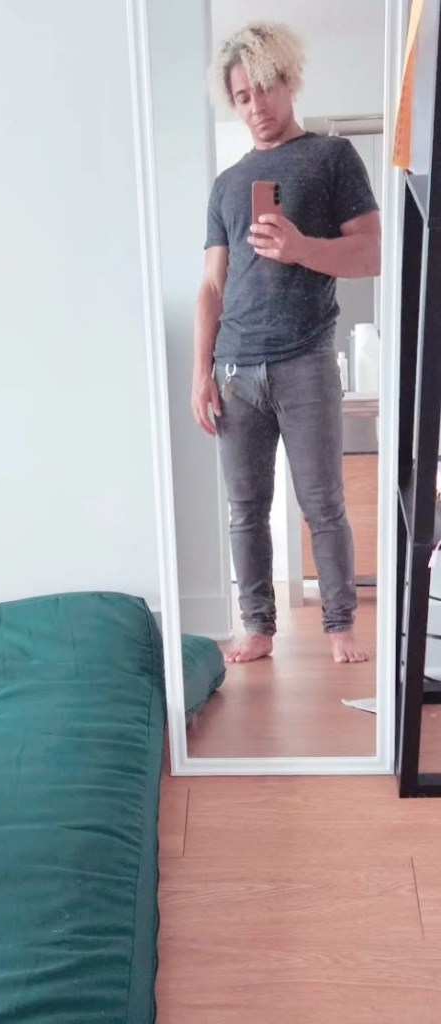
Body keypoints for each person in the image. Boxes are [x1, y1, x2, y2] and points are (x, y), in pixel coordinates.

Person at [192, 22, 381, 665]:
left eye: (264, 88)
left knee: (322, 503)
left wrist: (300, 248)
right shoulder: (226, 184)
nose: (256, 106)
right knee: (245, 509)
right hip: (235, 369)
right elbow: (211, 286)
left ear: (287, 80)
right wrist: (200, 373)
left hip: (306, 359)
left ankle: (340, 626)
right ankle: (258, 627)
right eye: (242, 96)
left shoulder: (333, 158)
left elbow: (371, 253)